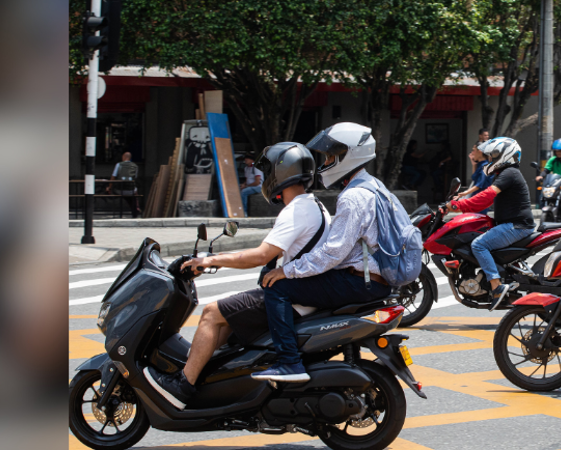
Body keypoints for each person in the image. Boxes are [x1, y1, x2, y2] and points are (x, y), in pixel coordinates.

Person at [144, 142, 329, 407]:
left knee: (211, 313)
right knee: (226, 315)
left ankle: (183, 386)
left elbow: (259, 256)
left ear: (281, 174)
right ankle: (207, 379)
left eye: (268, 173)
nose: (265, 180)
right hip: (302, 293)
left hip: (292, 298)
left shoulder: (296, 211)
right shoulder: (316, 206)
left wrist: (210, 260)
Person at [254, 123, 396, 382]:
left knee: (277, 287)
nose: (327, 162)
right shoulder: (374, 186)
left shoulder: (353, 197)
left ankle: (289, 362)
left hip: (359, 282)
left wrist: (286, 271)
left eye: (332, 156)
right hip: (373, 279)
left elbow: (333, 254)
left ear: (350, 155)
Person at [441, 137, 532, 303]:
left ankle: (496, 287)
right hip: (512, 225)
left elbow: (486, 197)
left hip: (517, 226)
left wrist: (456, 206)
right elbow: (487, 201)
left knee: (479, 244)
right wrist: (462, 204)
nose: (491, 159)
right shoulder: (505, 174)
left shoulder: (509, 173)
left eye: (494, 155)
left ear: (505, 155)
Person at [452, 143, 495, 213]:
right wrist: (473, 164)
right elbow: (474, 177)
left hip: (481, 200)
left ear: (480, 151)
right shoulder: (481, 165)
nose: (472, 153)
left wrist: (464, 193)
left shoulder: (485, 166)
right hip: (477, 198)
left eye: (473, 150)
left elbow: (479, 185)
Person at [108, 151, 141, 216]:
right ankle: (136, 208)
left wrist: (109, 187)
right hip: (131, 190)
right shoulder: (135, 166)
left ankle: (133, 209)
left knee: (123, 193)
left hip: (119, 190)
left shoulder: (119, 164)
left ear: (123, 157)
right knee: (134, 194)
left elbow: (113, 177)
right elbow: (135, 178)